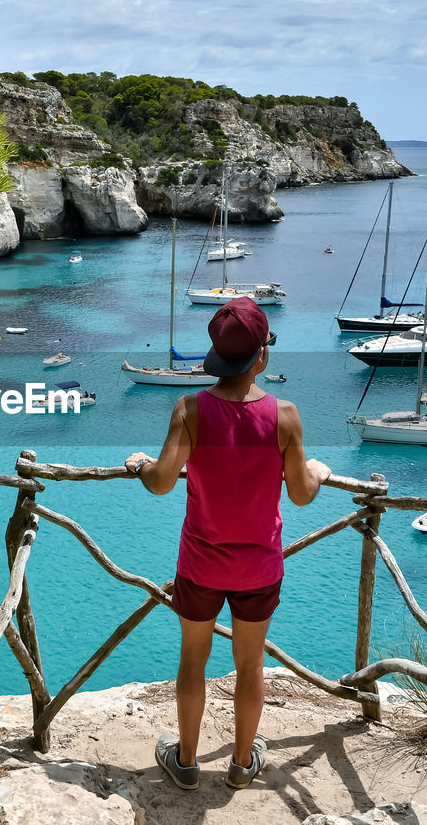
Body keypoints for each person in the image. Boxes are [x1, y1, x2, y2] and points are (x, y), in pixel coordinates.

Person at [124, 297, 330, 792]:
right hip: (259, 568)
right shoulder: (285, 415)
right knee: (250, 664)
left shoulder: (190, 409)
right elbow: (301, 494)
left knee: (193, 661)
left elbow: (160, 482)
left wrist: (138, 465)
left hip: (200, 564)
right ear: (262, 355)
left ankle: (188, 762)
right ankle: (242, 765)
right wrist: (317, 473)